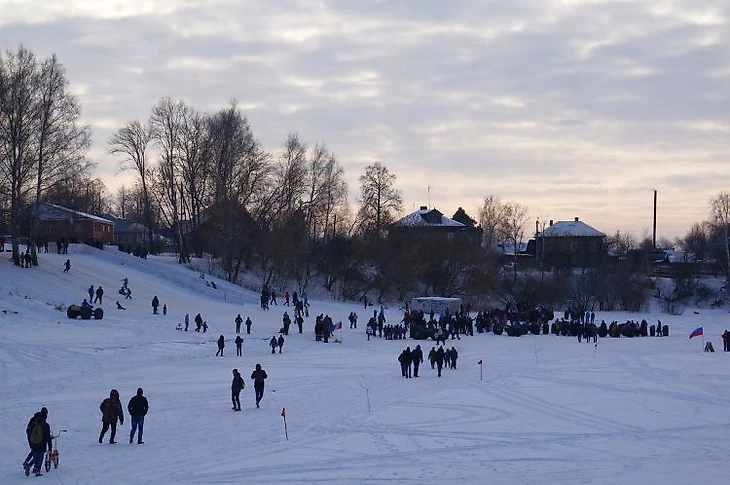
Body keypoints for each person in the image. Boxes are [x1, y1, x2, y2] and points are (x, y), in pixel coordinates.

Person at [23, 407, 50, 476]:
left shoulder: (33, 420)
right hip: (41, 443)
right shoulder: (45, 424)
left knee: (34, 453)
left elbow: (28, 431)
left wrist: (30, 441)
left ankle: (27, 464)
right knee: (40, 456)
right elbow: (48, 436)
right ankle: (37, 470)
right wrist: (50, 447)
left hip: (32, 441)